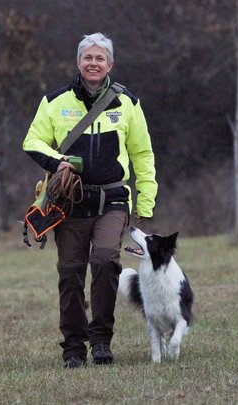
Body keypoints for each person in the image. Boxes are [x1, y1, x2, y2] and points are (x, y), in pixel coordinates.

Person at [22, 33, 157, 367]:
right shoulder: (54, 101)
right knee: (70, 273)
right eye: (88, 58)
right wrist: (57, 163)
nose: (93, 63)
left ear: (109, 64)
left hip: (113, 198)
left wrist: (146, 201)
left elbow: (142, 154)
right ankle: (72, 347)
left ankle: (101, 341)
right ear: (78, 63)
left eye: (100, 58)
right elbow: (32, 141)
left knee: (106, 260)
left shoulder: (128, 103)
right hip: (70, 203)